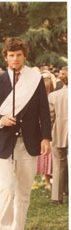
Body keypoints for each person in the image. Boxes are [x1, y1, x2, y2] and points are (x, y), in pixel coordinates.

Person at [0, 37, 51, 230]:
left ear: (24, 56)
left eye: (19, 55)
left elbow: (44, 111)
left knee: (23, 191)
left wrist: (46, 138)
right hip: (5, 143)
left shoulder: (36, 80)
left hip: (29, 142)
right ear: (5, 57)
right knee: (5, 189)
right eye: (11, 55)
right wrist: (0, 120)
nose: (15, 59)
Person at [48, 67, 68, 204]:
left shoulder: (54, 96)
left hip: (59, 133)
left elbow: (50, 118)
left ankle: (57, 196)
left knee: (58, 164)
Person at [37, 71, 54, 189]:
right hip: (52, 131)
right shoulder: (53, 98)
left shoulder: (39, 100)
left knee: (44, 156)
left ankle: (47, 181)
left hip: (41, 131)